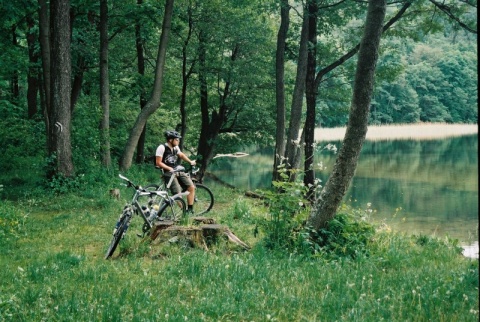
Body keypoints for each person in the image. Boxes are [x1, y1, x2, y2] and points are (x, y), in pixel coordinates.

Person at [155, 130, 196, 214]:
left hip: (176, 170)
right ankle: (184, 212)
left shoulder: (175, 148)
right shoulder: (162, 147)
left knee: (191, 187)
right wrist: (169, 168)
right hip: (168, 172)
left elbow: (181, 155)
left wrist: (190, 161)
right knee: (178, 194)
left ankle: (190, 209)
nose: (178, 141)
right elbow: (158, 162)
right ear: (170, 140)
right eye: (177, 139)